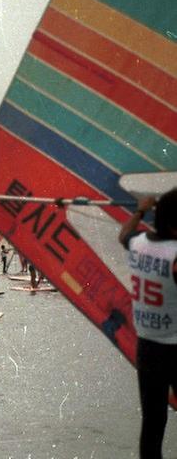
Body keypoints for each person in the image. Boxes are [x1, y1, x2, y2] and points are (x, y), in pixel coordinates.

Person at [118, 189, 177, 459]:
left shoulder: (138, 243)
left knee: (153, 424)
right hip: (174, 349)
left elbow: (123, 235)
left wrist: (141, 209)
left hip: (148, 348)